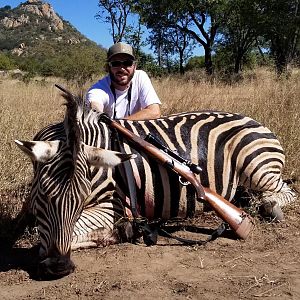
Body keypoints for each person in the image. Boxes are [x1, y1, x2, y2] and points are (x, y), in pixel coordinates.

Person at [86, 42, 161, 120]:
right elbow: (95, 109)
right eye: (115, 63)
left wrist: (122, 123)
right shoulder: (98, 89)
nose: (122, 68)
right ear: (108, 67)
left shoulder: (140, 77)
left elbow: (154, 112)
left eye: (127, 63)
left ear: (134, 66)